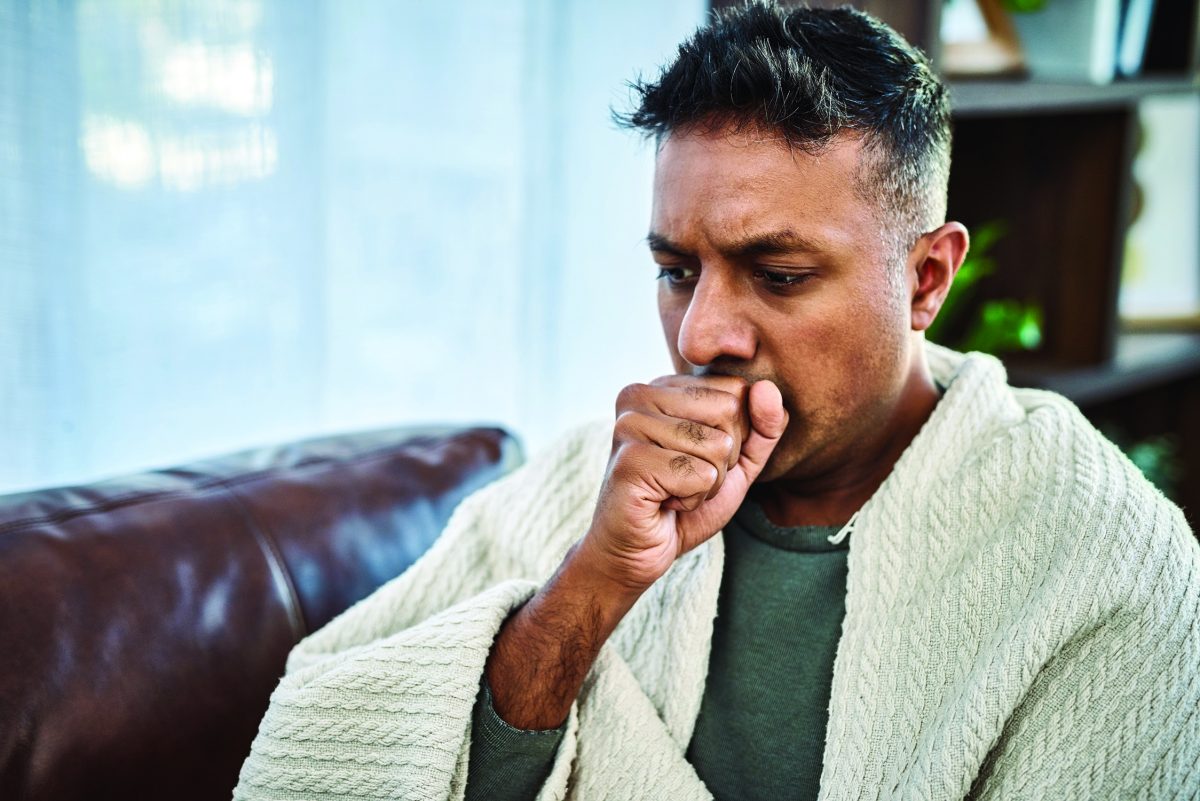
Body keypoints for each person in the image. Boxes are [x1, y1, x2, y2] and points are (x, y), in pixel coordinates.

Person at [234, 3, 1200, 800]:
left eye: (778, 275)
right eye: (676, 270)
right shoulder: (594, 478)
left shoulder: (1104, 562)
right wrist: (592, 586)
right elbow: (339, 744)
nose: (701, 336)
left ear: (926, 279)